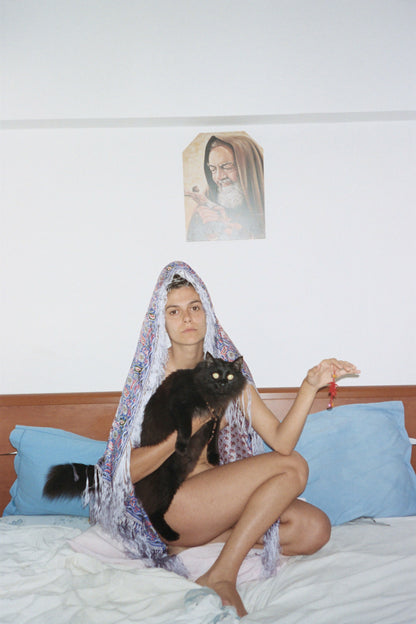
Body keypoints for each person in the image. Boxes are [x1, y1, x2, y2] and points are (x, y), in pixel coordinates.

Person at [89, 261, 359, 617]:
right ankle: (222, 574)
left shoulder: (226, 372)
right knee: (293, 467)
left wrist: (309, 387)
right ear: (161, 322)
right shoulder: (150, 380)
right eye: (174, 311)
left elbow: (280, 441)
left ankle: (196, 545)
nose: (187, 318)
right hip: (171, 505)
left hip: (212, 510)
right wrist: (187, 428)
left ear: (208, 313)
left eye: (194, 307)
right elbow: (123, 473)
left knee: (314, 528)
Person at [186, 133, 265, 241]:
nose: (218, 177)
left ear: (248, 168)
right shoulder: (206, 204)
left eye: (227, 167)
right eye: (213, 169)